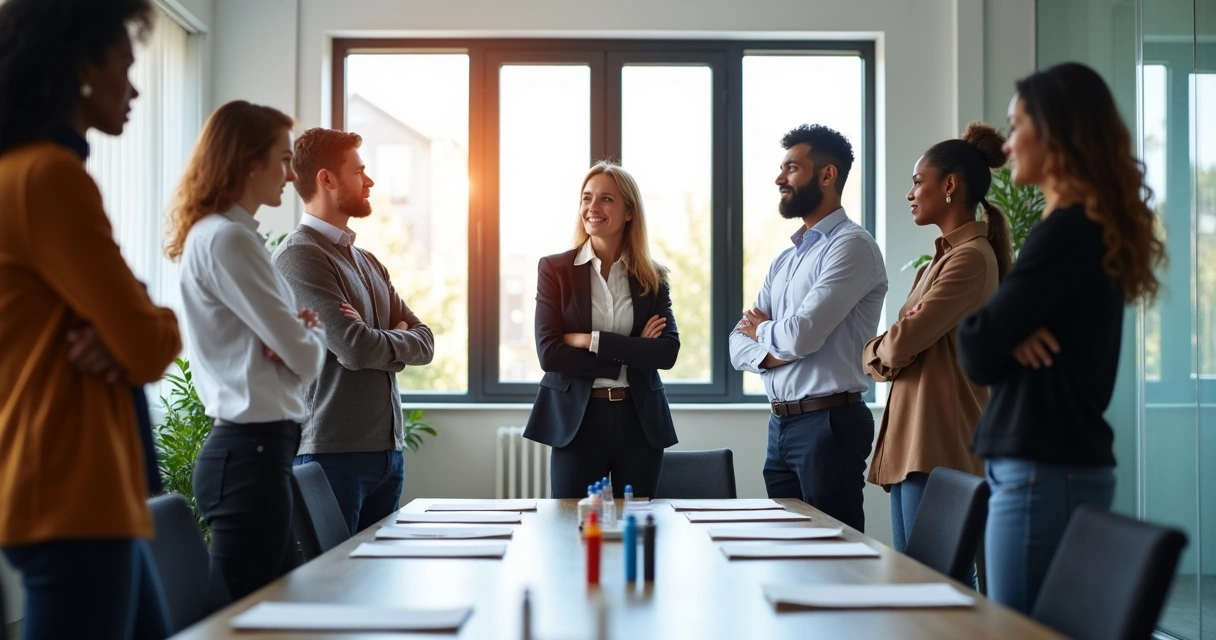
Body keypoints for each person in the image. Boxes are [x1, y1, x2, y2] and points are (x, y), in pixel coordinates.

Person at [0, 0, 182, 637]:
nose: (133, 89)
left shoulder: (24, 172)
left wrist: (125, 323)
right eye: (124, 68)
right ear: (81, 67)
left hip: (78, 492)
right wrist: (137, 322)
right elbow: (147, 344)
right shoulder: (49, 177)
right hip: (70, 491)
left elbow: (125, 330)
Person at [957, 62, 1166, 613]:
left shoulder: (1068, 231)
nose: (1007, 142)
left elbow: (977, 347)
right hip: (1052, 468)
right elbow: (990, 337)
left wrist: (1003, 329)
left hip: (1041, 472)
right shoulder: (1082, 228)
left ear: (1058, 132)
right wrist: (1008, 327)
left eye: (1017, 123)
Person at [166, 100, 328, 600]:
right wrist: (302, 337)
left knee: (273, 607)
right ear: (247, 161)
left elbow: (297, 345)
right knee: (242, 616)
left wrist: (296, 337)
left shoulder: (229, 237)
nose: (290, 173)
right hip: (249, 454)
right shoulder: (229, 240)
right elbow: (306, 358)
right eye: (282, 159)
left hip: (257, 452)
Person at [274, 128, 435, 534]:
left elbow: (427, 340)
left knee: (378, 582)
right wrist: (393, 336)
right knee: (333, 587)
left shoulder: (368, 262)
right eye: (359, 171)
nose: (370, 181)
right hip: (331, 456)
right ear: (327, 179)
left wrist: (378, 335)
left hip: (387, 455)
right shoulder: (300, 256)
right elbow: (354, 348)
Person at [730, 124, 887, 533]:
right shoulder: (786, 259)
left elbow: (801, 336)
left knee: (833, 552)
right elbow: (735, 342)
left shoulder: (852, 246)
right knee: (789, 547)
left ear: (827, 175)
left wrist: (764, 332)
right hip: (780, 424)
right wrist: (773, 344)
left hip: (828, 424)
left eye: (792, 168)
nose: (780, 179)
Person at [864, 123, 1012, 554]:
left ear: (949, 185)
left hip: (937, 445)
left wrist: (874, 351)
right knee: (913, 579)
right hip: (916, 442)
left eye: (916, 182)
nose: (910, 194)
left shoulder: (968, 260)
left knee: (938, 583)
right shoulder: (940, 259)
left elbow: (900, 343)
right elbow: (901, 344)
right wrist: (891, 347)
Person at [524, 161, 680, 499]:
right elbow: (550, 354)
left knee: (636, 528)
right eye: (586, 198)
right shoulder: (555, 269)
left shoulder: (652, 277)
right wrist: (632, 350)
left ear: (629, 212)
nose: (592, 208)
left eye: (606, 199)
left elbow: (667, 353)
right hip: (577, 421)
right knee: (570, 526)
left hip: (639, 421)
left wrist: (589, 340)